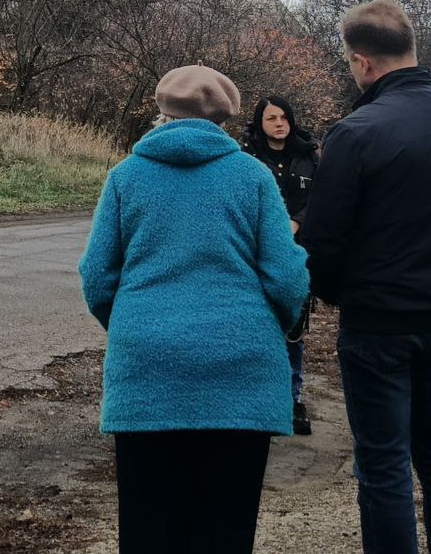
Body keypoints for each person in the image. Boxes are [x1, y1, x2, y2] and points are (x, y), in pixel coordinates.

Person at [79, 65, 309, 553]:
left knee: (148, 526)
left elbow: (97, 277)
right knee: (225, 527)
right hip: (240, 370)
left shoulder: (126, 177)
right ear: (224, 117)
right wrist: (272, 328)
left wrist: (130, 328)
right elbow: (287, 278)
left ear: (162, 111)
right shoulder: (253, 177)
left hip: (147, 369)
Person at [301, 0, 431, 554]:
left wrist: (330, 295)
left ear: (362, 62)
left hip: (379, 322)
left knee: (384, 463)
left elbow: (322, 240)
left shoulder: (356, 132)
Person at [240, 95, 319, 435]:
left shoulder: (309, 156)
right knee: (256, 328)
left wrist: (298, 222)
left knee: (293, 329)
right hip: (255, 256)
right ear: (260, 122)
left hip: (296, 253)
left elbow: (323, 198)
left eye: (284, 117)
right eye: (272, 118)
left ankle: (290, 399)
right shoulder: (245, 157)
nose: (279, 123)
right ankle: (253, 400)